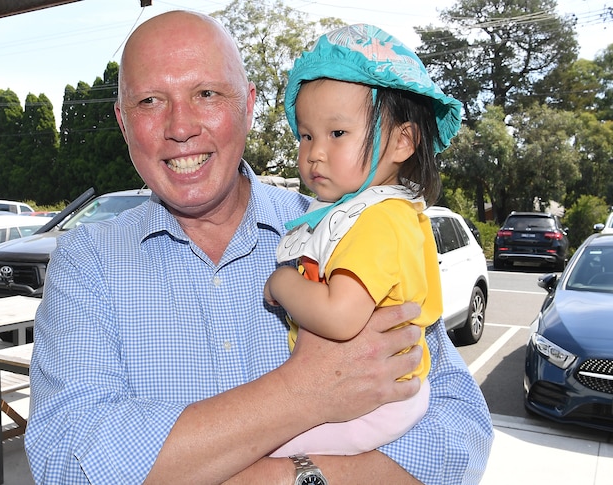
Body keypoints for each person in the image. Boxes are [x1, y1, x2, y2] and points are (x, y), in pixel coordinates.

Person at [25, 10, 493, 485]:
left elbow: (460, 426)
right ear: (124, 124)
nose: (180, 126)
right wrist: (301, 393)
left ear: (248, 106)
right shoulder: (87, 262)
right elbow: (66, 459)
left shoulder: (345, 230)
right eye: (150, 101)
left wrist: (295, 476)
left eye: (206, 94)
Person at [264, 24, 460, 457]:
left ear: (402, 141)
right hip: (385, 396)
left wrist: (281, 283)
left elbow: (340, 317)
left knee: (255, 448)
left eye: (337, 134)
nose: (314, 152)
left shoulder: (377, 221)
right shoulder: (383, 210)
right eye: (306, 135)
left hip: (373, 406)